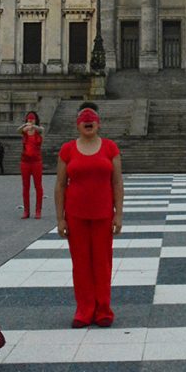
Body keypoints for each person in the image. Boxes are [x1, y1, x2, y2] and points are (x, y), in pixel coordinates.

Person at [55, 102, 124, 327]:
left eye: (92, 119)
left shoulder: (110, 148)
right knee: (81, 264)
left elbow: (117, 182)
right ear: (77, 125)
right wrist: (60, 218)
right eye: (84, 120)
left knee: (102, 264)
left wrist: (119, 214)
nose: (88, 122)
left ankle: (103, 309)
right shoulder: (67, 150)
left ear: (98, 124)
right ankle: (84, 309)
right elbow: (60, 184)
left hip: (103, 213)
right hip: (76, 214)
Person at [18, 112, 45, 219]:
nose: (30, 121)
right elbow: (18, 130)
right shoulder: (24, 131)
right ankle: (26, 211)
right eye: (28, 119)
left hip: (36, 161)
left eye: (32, 119)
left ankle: (38, 210)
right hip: (25, 161)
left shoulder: (38, 130)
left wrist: (33, 126)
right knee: (25, 187)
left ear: (35, 120)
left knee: (38, 186)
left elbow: (42, 129)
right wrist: (25, 126)